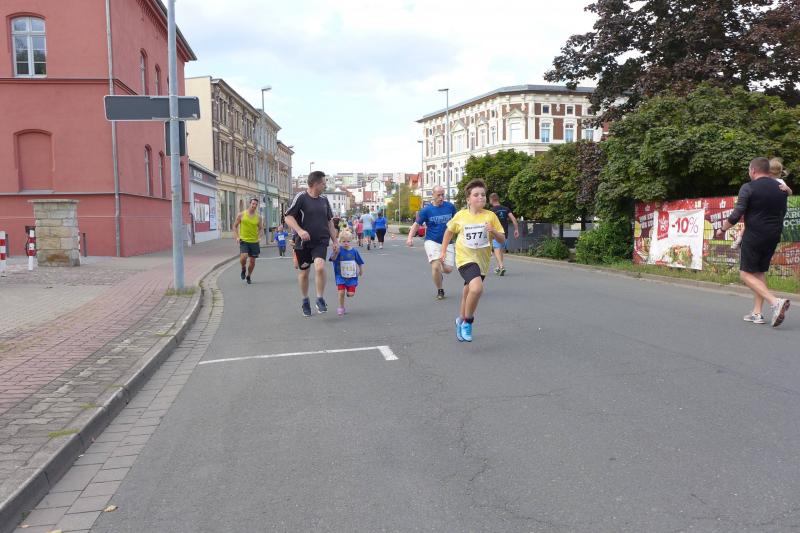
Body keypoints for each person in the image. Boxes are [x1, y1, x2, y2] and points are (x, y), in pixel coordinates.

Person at [717, 157, 790, 327]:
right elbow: (783, 211)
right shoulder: (781, 188)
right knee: (759, 272)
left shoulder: (748, 187)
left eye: (749, 170)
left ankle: (775, 302)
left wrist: (722, 229)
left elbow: (737, 213)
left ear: (753, 170)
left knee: (745, 274)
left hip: (755, 235)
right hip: (773, 235)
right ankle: (757, 313)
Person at [440, 179, 505, 342]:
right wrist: (443, 251)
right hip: (464, 258)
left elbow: (502, 239)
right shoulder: (461, 216)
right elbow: (449, 232)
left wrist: (493, 231)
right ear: (468, 199)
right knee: (476, 289)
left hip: (482, 261)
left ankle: (460, 320)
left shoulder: (490, 216)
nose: (481, 197)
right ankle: (468, 322)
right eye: (476, 195)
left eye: (483, 194)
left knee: (467, 292)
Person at [284, 171, 339, 317]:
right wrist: (300, 231)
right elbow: (288, 217)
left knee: (320, 267)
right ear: (315, 184)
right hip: (303, 243)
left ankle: (320, 298)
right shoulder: (301, 197)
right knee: (304, 273)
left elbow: (329, 222)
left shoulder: (324, 200)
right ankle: (305, 300)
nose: (325, 185)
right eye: (323, 183)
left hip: (320, 241)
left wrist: (335, 241)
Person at [406, 185, 457, 300]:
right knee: (435, 266)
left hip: (448, 242)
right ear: (433, 195)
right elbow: (416, 224)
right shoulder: (426, 210)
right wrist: (410, 237)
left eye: (443, 194)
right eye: (438, 195)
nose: (441, 197)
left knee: (448, 270)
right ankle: (440, 289)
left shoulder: (450, 207)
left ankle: (439, 273)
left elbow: (458, 221)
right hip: (432, 241)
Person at [731, 158, 792, 250]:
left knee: (749, 224)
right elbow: (789, 193)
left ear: (768, 172)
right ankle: (739, 239)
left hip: (763, 214)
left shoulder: (765, 182)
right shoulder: (780, 182)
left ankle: (739, 239)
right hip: (775, 215)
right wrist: (787, 189)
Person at [329, 228, 365, 316]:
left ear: (351, 241)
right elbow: (332, 259)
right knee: (341, 292)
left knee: (350, 294)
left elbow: (359, 261)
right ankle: (341, 307)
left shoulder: (354, 251)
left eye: (348, 241)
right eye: (344, 241)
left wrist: (361, 270)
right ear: (340, 241)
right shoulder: (338, 250)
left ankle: (349, 292)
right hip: (340, 276)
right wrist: (335, 252)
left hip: (351, 276)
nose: (346, 243)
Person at [488, 193, 520, 276]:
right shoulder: (506, 209)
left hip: (496, 233)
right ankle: (499, 267)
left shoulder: (491, 211)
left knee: (496, 249)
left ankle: (501, 266)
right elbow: (513, 219)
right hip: (505, 233)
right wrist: (516, 229)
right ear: (498, 199)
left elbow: (489, 223)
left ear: (491, 200)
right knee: (500, 250)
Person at [233, 197, 264, 285]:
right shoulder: (241, 214)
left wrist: (259, 237)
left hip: (254, 242)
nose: (254, 206)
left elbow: (261, 228)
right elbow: (234, 226)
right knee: (244, 256)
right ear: (249, 204)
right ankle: (243, 268)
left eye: (256, 204)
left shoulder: (258, 217)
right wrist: (237, 237)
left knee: (252, 261)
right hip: (244, 240)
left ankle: (249, 276)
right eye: (253, 204)